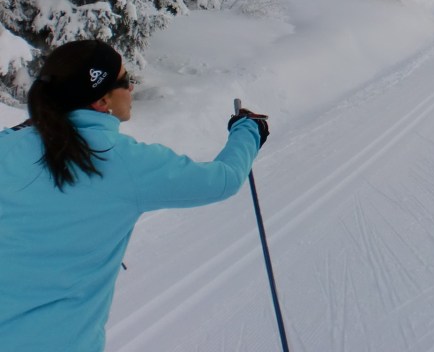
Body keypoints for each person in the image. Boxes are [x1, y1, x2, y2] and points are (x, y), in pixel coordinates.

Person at [0, 39, 269, 352]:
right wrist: (248, 130)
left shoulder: (9, 144)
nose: (131, 88)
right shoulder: (125, 163)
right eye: (125, 81)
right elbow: (223, 180)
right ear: (102, 100)